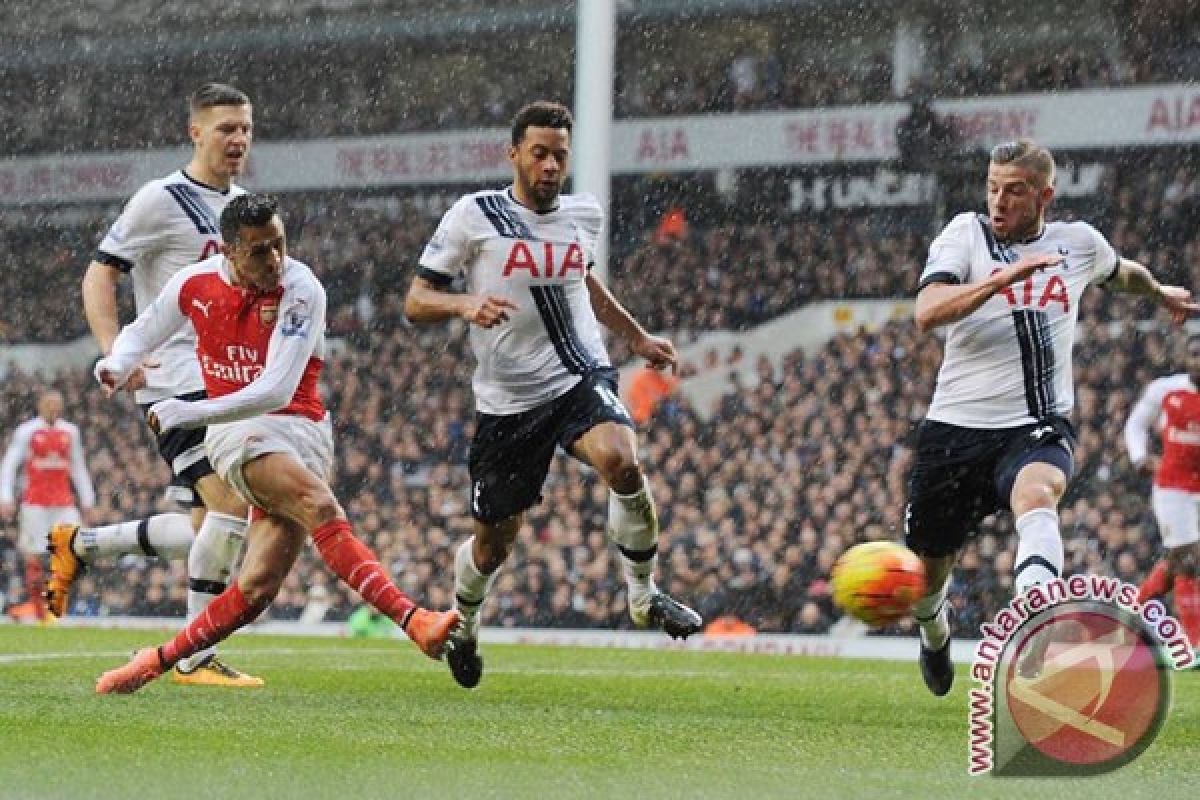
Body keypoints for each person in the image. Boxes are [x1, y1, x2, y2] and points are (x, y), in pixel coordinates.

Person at [92, 193, 461, 694]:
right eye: (259, 250)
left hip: (302, 429)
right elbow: (142, 332)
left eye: (279, 245)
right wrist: (114, 363)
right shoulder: (194, 284)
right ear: (228, 250)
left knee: (257, 588)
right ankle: (414, 620)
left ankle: (154, 663)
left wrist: (187, 410)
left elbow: (276, 388)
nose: (274, 260)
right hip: (237, 433)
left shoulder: (302, 287)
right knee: (320, 506)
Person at [405, 101, 703, 690]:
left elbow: (583, 280)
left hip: (578, 376)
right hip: (508, 404)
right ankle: (462, 624)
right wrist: (465, 304)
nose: (549, 165)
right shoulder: (475, 215)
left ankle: (643, 596)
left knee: (622, 459)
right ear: (513, 153)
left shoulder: (582, 214)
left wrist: (636, 336)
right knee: (492, 548)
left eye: (559, 155)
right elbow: (417, 300)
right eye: (538, 153)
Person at [906, 138, 1198, 696]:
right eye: (992, 188)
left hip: (1035, 424)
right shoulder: (965, 234)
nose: (999, 202)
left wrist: (1159, 291)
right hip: (955, 429)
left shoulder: (1078, 244)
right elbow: (926, 312)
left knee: (1038, 495)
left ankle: (1032, 623)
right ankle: (934, 631)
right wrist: (998, 282)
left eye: (1014, 192)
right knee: (928, 575)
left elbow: (1122, 271)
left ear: (1045, 196)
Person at [53, 82, 262, 686]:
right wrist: (115, 350)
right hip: (173, 385)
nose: (238, 139)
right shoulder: (160, 199)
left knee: (207, 528)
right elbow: (100, 274)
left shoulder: (243, 206)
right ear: (197, 133)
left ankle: (82, 546)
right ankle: (195, 657)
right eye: (226, 128)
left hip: (228, 384)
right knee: (230, 505)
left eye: (245, 128)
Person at [1123, 335, 1200, 650]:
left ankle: (1130, 614)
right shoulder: (1166, 389)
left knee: (1176, 562)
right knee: (1190, 560)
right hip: (1173, 487)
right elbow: (1135, 424)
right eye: (1195, 354)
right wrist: (1139, 457)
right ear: (1187, 358)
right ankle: (1195, 644)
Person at [0, 390, 95, 621]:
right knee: (33, 555)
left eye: (57, 404)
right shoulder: (27, 432)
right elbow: (10, 464)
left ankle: (56, 604)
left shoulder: (70, 431)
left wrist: (88, 499)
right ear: (40, 405)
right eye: (49, 403)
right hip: (35, 503)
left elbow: (78, 466)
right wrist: (5, 497)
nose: (53, 408)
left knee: (75, 547)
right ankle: (40, 612)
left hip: (63, 502)